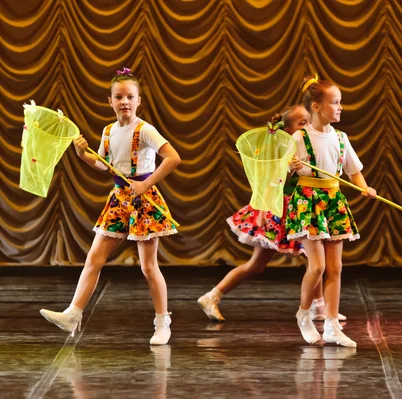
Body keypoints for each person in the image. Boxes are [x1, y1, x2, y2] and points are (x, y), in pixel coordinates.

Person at [40, 67, 181, 345]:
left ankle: (163, 322)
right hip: (118, 199)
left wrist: (145, 183)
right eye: (119, 97)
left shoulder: (145, 130)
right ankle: (73, 313)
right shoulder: (108, 131)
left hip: (144, 199)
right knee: (94, 258)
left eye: (130, 96)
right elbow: (102, 165)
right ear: (110, 101)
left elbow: (173, 158)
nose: (124, 102)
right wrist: (82, 154)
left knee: (148, 267)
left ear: (139, 100)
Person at [198, 105, 347, 324]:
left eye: (308, 121)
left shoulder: (307, 147)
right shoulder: (288, 150)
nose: (307, 126)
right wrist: (263, 212)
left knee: (312, 260)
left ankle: (319, 307)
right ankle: (213, 295)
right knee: (259, 264)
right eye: (302, 123)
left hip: (299, 211)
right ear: (288, 131)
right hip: (280, 212)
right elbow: (270, 182)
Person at [287, 75, 377, 348]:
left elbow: (354, 170)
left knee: (335, 267)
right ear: (316, 107)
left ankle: (332, 326)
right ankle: (304, 315)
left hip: (334, 200)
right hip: (308, 201)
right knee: (318, 266)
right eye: (335, 103)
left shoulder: (340, 137)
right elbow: (280, 174)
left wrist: (364, 187)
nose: (340, 108)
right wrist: (289, 165)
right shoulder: (299, 137)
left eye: (340, 103)